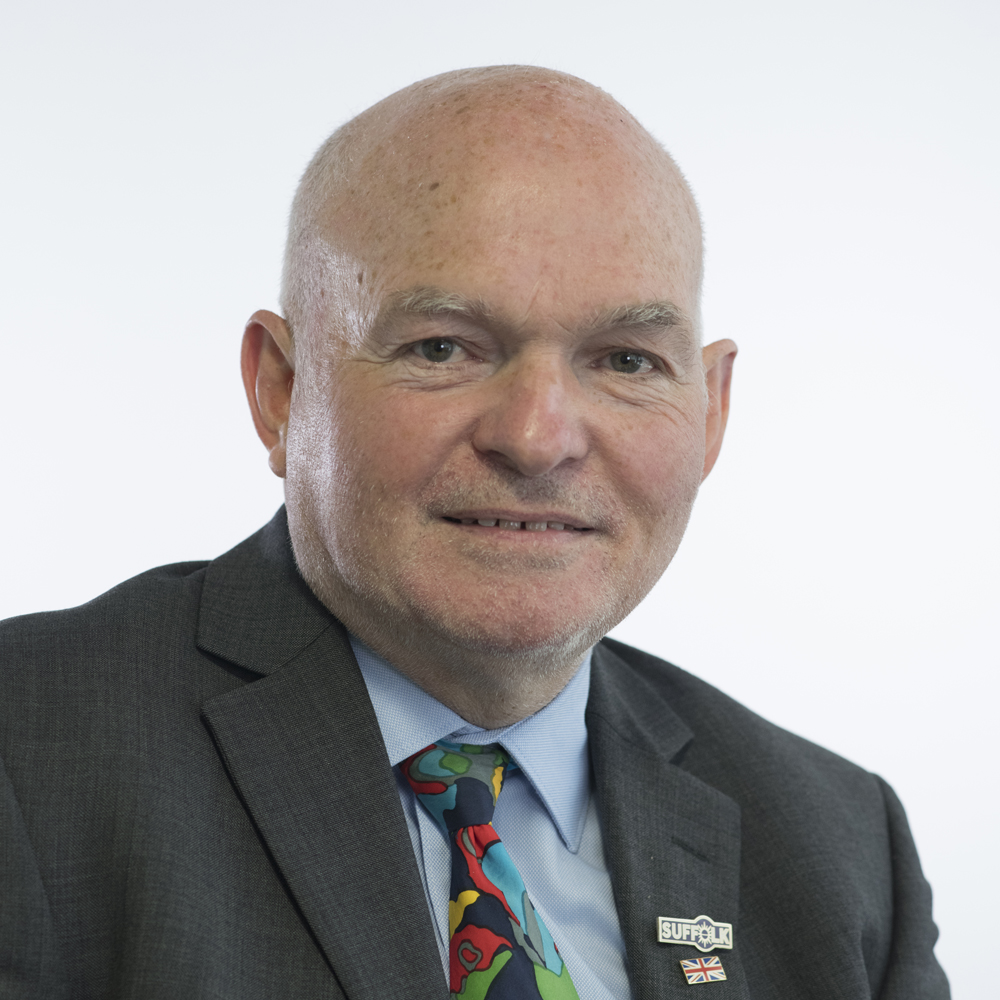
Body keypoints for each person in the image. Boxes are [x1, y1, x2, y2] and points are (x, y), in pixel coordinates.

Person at [0, 66, 948, 1000]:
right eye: (443, 347)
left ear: (709, 413)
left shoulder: (840, 848)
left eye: (625, 360)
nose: (536, 440)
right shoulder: (30, 749)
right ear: (280, 390)